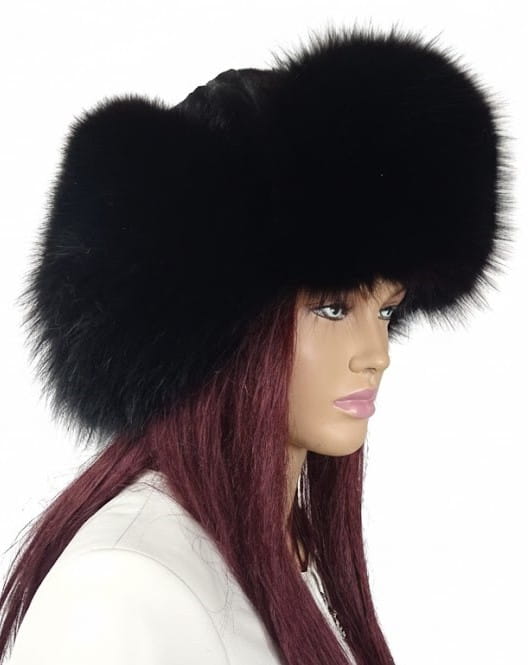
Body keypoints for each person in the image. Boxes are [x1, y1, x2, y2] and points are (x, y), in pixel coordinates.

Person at [0, 23, 514, 665]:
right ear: (219, 330)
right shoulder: (122, 591)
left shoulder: (284, 550)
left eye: (386, 310)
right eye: (333, 308)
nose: (377, 354)